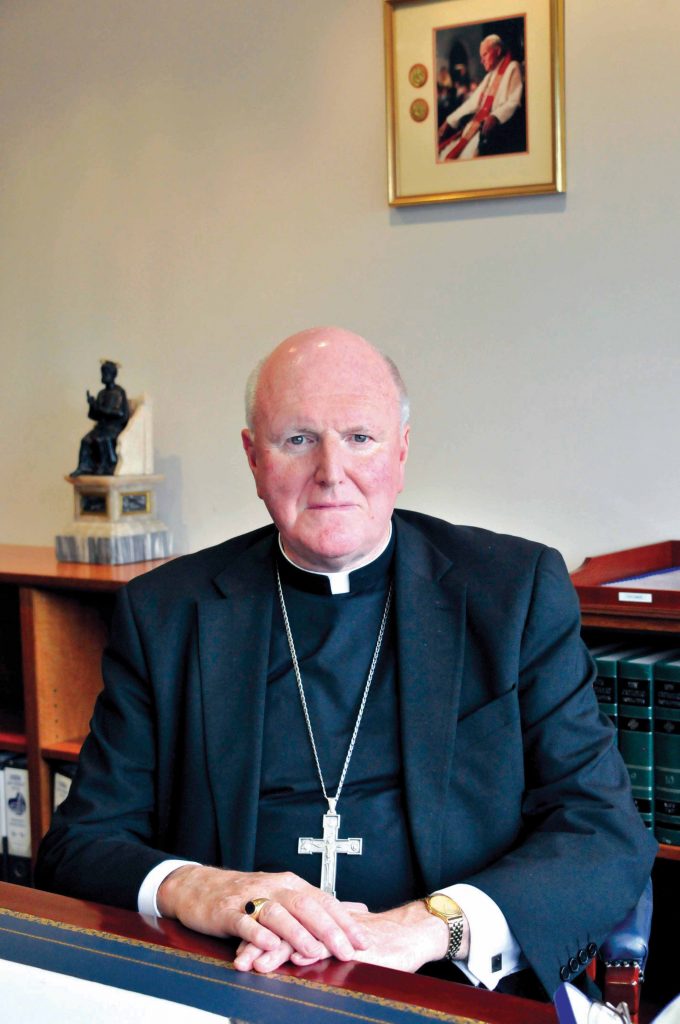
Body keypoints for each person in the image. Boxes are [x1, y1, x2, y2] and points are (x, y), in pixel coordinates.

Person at [37, 327, 656, 1001]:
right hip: (233, 980)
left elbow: (602, 831)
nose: (331, 472)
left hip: (456, 988)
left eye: (360, 437)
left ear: (401, 450)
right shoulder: (167, 613)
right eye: (297, 439)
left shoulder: (513, 594)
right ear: (253, 457)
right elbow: (79, 846)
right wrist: (200, 888)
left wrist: (430, 928)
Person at [438, 34, 524, 161]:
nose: (481, 60)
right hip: (476, 126)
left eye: (485, 54)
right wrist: (449, 121)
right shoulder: (489, 76)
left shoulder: (512, 67)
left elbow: (514, 101)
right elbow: (472, 103)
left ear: (498, 51)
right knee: (444, 154)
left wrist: (495, 116)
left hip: (494, 130)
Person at [71, 360, 130, 476]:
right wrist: (92, 406)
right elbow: (94, 416)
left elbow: (120, 413)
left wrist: (100, 408)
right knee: (86, 440)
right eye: (102, 373)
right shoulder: (101, 393)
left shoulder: (119, 392)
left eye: (106, 373)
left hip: (113, 427)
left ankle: (106, 467)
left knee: (102, 439)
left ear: (113, 375)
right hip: (101, 427)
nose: (103, 376)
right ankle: (84, 467)